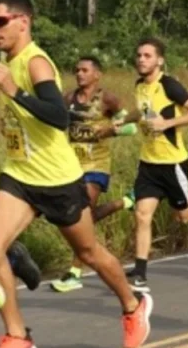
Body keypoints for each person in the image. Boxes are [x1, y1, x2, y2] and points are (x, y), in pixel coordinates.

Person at [0, 0, 151, 348]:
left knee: (89, 253)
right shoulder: (9, 59)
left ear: (23, 21)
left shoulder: (36, 62)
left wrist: (14, 92)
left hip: (58, 180)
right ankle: (18, 336)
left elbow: (58, 117)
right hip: (20, 174)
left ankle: (132, 304)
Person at [122, 38, 188, 292]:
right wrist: (120, 120)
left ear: (160, 60)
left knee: (182, 216)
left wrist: (166, 124)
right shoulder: (139, 86)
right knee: (142, 214)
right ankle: (140, 273)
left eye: (147, 56)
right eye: (139, 55)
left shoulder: (169, 85)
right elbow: (140, 111)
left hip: (173, 165)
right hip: (148, 164)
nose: (141, 59)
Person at [51, 56, 138, 292]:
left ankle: (74, 274)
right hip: (72, 166)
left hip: (97, 164)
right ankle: (125, 202)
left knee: (83, 216)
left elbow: (131, 126)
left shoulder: (107, 99)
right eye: (77, 70)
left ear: (96, 74)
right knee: (78, 219)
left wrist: (109, 131)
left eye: (85, 70)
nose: (79, 74)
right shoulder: (68, 98)